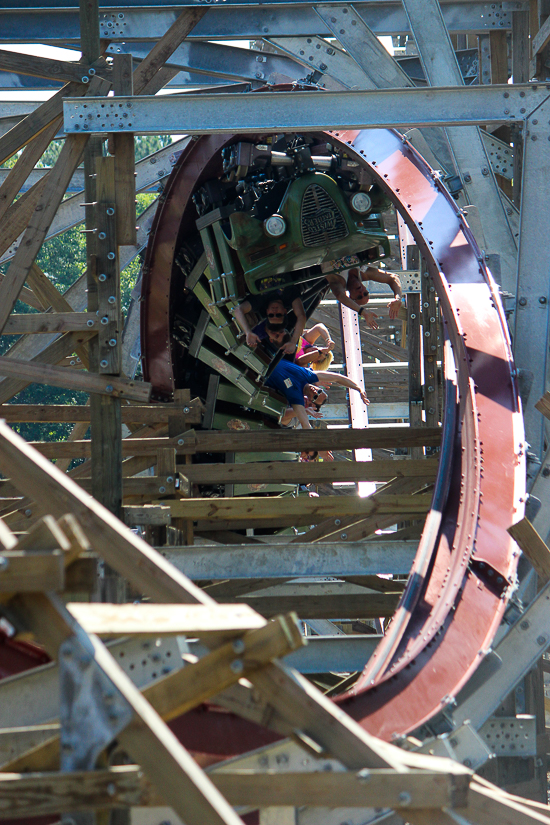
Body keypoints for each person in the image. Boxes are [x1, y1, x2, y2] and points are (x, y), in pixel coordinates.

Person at [265, 358, 368, 431]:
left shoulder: (296, 397)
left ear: (310, 400)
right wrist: (359, 388)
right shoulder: (308, 375)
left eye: (315, 396)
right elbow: (338, 378)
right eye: (319, 391)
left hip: (261, 370)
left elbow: (306, 425)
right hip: (267, 355)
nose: (315, 391)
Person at [321, 259, 402, 328]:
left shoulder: (338, 282)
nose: (361, 293)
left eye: (359, 297)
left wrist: (363, 312)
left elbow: (340, 296)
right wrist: (398, 298)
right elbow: (393, 277)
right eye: (365, 293)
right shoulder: (363, 273)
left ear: (351, 297)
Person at [232, 287, 306, 355]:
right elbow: (301, 316)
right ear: (285, 312)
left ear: (267, 312)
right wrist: (293, 341)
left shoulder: (260, 302)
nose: (274, 311)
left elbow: (238, 310)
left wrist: (248, 332)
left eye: (271, 315)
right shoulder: (289, 297)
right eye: (278, 315)